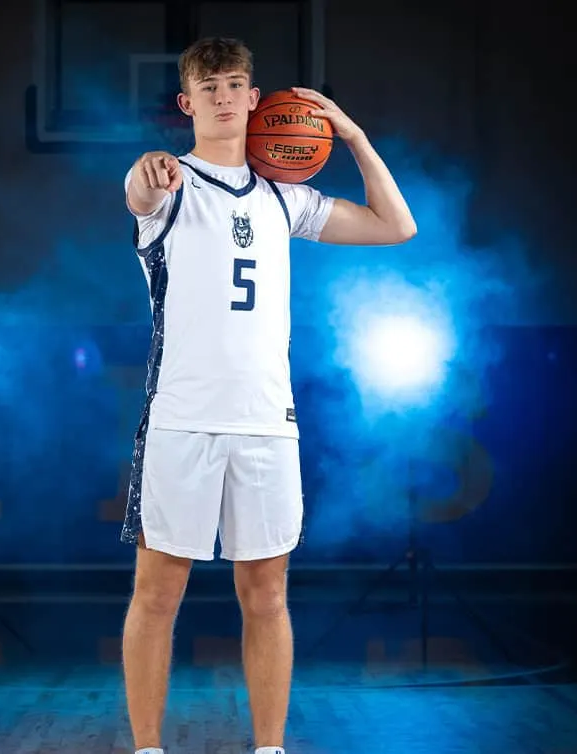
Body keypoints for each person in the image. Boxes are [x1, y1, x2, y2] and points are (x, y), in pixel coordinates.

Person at [120, 37, 416, 754]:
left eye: (236, 85)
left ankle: (270, 749)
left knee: (268, 595)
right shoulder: (169, 186)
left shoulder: (287, 198)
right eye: (209, 87)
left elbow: (396, 226)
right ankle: (148, 750)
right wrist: (145, 173)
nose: (224, 97)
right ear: (189, 104)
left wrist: (353, 137)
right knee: (158, 595)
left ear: (257, 100)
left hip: (266, 422)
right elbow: (138, 191)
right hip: (181, 419)